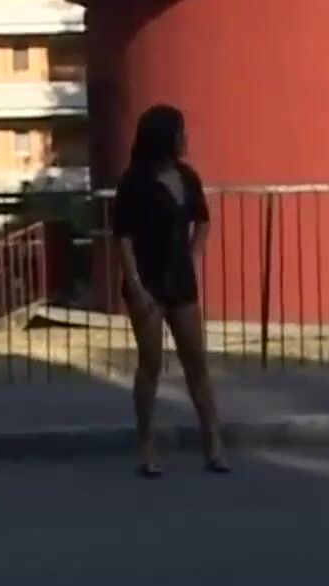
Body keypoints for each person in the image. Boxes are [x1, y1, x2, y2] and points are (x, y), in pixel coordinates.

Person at [113, 104, 228, 478]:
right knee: (151, 364)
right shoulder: (135, 181)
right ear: (164, 137)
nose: (185, 139)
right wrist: (135, 284)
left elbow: (203, 220)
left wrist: (192, 257)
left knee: (196, 361)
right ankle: (146, 443)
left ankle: (213, 441)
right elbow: (123, 236)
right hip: (146, 282)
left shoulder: (187, 177)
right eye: (180, 132)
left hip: (180, 281)